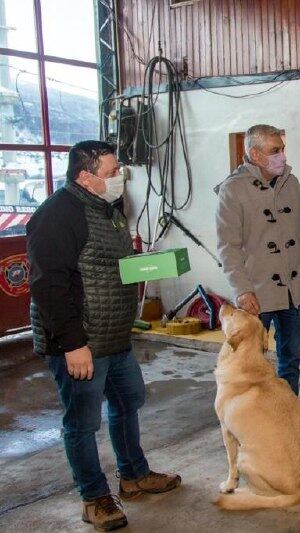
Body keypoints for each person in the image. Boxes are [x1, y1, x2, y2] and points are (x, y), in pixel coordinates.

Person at [26, 140, 181, 532]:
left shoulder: (107, 210)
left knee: (129, 401)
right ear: (85, 176)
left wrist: (149, 267)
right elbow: (48, 286)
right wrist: (73, 345)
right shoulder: (57, 215)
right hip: (80, 343)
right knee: (82, 422)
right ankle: (94, 498)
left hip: (114, 336)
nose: (119, 179)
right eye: (112, 174)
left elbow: (113, 267)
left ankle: (133, 476)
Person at [215, 124, 300, 395]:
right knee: (251, 365)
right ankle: (255, 420)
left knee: (290, 363)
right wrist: (242, 290)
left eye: (282, 149)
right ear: (255, 154)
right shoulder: (233, 190)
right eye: (275, 150)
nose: (282, 156)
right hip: (257, 296)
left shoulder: (290, 182)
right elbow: (228, 246)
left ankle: (287, 418)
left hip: (293, 292)